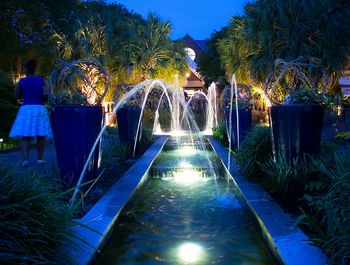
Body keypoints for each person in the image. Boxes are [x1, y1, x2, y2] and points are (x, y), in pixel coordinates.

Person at [9, 59, 53, 166]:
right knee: (40, 135)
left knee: (25, 135)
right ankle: (40, 159)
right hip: (39, 108)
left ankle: (25, 160)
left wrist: (21, 97)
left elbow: (15, 96)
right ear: (34, 69)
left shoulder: (22, 81)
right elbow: (46, 96)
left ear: (27, 69)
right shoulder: (43, 81)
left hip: (26, 108)